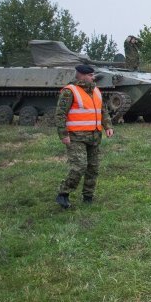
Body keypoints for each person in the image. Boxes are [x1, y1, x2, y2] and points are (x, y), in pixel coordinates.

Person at [54, 65, 114, 209]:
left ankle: (88, 196)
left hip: (94, 136)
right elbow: (60, 114)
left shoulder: (96, 91)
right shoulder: (70, 91)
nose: (93, 78)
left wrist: (108, 126)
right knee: (79, 166)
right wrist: (63, 134)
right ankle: (63, 193)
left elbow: (102, 111)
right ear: (81, 75)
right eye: (90, 75)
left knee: (93, 168)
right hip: (76, 137)